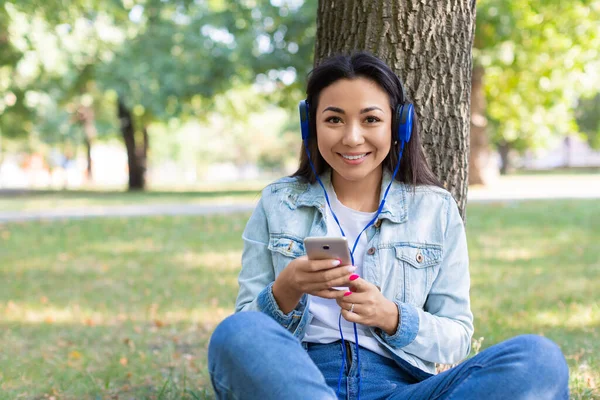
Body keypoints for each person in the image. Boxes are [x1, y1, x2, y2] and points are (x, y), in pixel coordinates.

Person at [208, 52, 569, 400]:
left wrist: (392, 316)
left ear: (399, 125)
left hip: (403, 387)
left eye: (370, 119)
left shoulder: (435, 209)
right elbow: (246, 331)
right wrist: (286, 289)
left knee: (539, 359)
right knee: (236, 332)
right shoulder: (277, 203)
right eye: (334, 119)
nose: (351, 137)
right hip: (297, 381)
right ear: (310, 124)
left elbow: (456, 337)